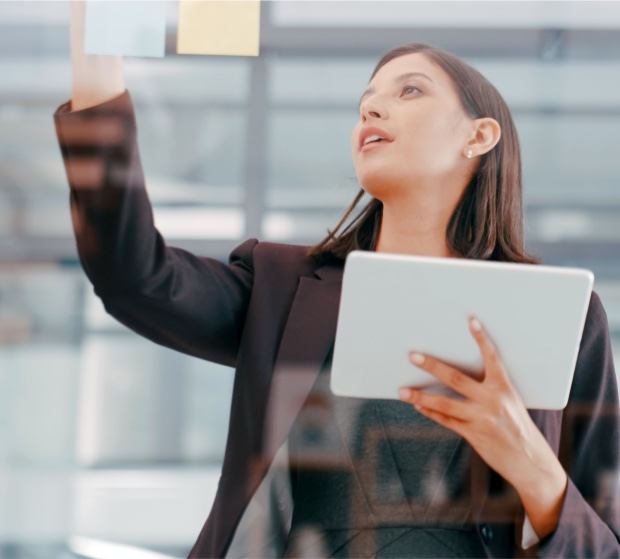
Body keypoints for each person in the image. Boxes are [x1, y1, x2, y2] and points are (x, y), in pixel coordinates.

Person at [55, 3, 620, 557]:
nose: (371, 113)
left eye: (409, 91)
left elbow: (605, 542)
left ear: (479, 136)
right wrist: (95, 49)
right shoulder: (281, 291)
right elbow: (134, 276)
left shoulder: (564, 319)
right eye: (365, 105)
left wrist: (536, 472)